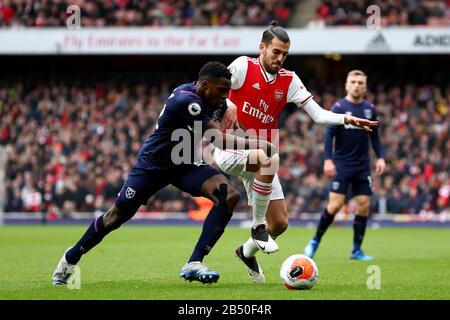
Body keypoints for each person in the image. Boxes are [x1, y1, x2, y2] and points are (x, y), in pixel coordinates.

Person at [51, 62, 276, 285]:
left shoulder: (213, 97)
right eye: (222, 91)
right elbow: (218, 139)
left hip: (184, 163)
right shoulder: (187, 100)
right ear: (205, 84)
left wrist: (231, 107)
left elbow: (226, 115)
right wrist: (258, 144)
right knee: (115, 217)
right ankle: (70, 259)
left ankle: (194, 263)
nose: (225, 96)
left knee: (228, 196)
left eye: (228, 92)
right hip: (153, 166)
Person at [216, 21, 378, 283]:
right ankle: (257, 227)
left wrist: (347, 119)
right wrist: (226, 103)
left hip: (260, 153)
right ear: (262, 47)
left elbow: (319, 115)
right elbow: (211, 86)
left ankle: (246, 252)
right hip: (229, 146)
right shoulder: (243, 66)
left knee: (279, 224)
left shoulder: (289, 80)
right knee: (269, 159)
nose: (280, 59)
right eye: (275, 52)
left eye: (285, 54)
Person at [304, 70, 385, 261]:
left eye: (360, 82)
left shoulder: (370, 109)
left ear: (364, 87)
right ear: (347, 85)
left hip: (362, 165)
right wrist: (328, 159)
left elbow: (375, 136)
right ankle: (315, 241)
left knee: (364, 206)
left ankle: (356, 250)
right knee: (335, 205)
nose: (356, 85)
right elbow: (329, 135)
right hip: (342, 164)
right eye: (353, 82)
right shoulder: (339, 107)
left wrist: (380, 157)